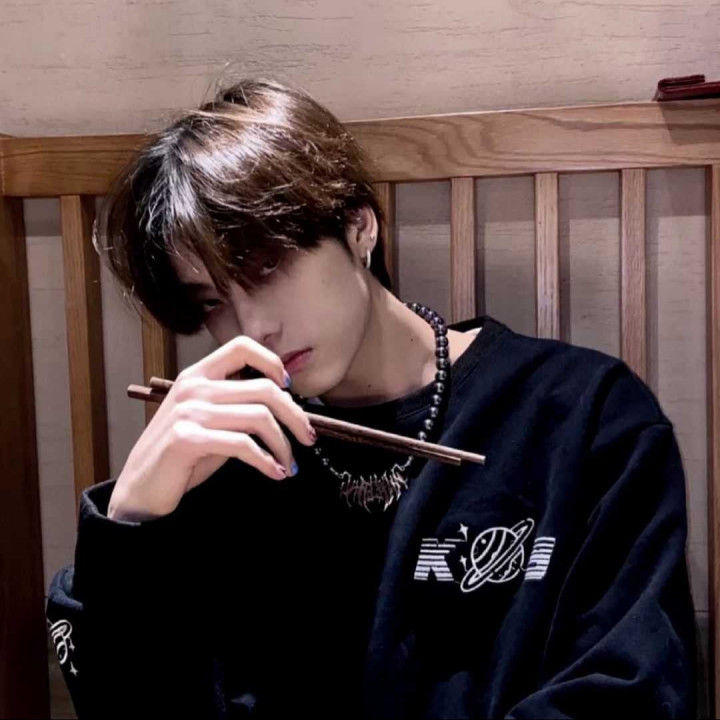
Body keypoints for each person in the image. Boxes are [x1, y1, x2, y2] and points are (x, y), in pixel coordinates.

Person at [46, 77, 696, 719]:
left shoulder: (584, 414)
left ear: (359, 226)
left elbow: (629, 693)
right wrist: (128, 526)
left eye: (266, 265)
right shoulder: (222, 448)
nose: (251, 326)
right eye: (213, 301)